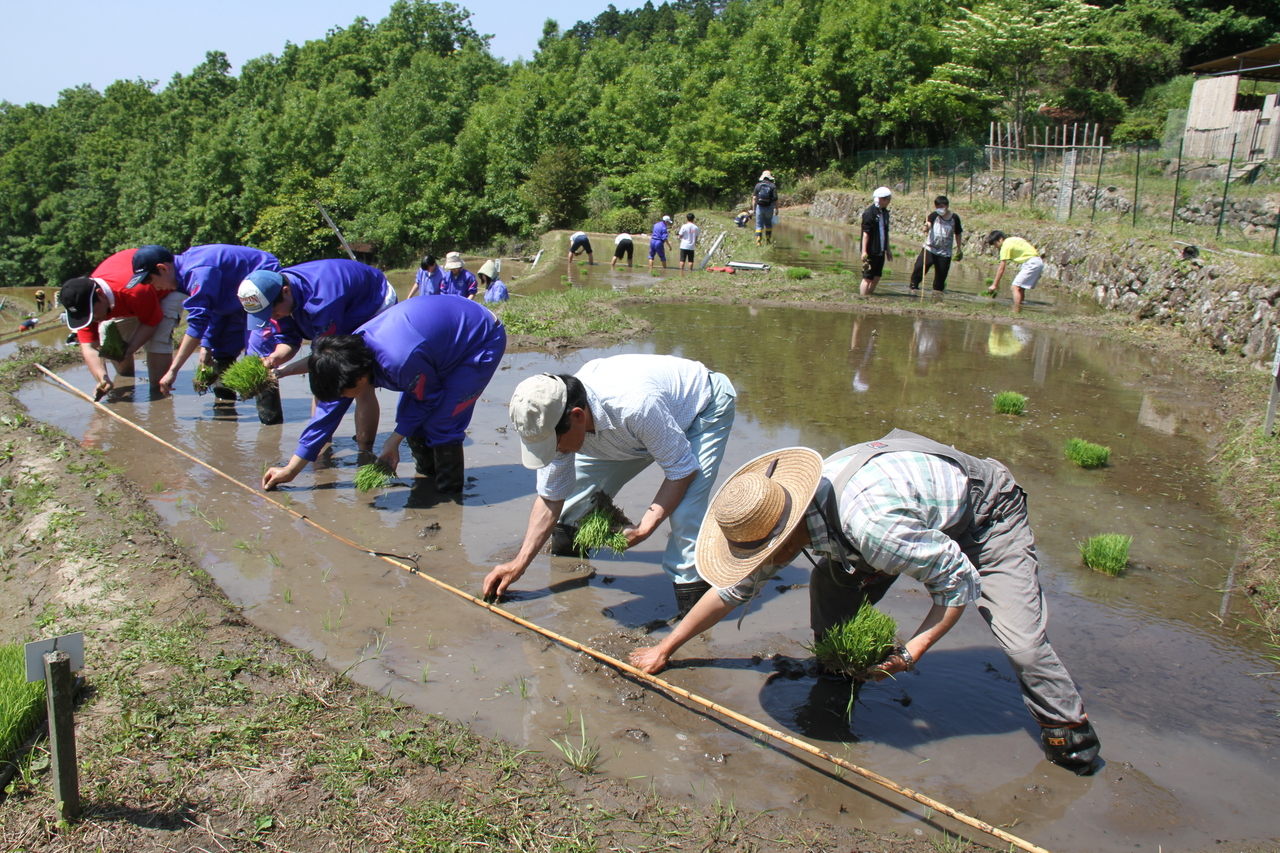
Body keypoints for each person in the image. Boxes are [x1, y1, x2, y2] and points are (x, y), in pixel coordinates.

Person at [629, 430, 1102, 776]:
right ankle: (839, 668)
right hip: (908, 516)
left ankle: (1071, 732)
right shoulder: (795, 509)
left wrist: (911, 651)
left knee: (1021, 642)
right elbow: (733, 590)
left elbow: (957, 585)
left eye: (767, 554)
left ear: (787, 529)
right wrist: (666, 648)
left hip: (986, 515)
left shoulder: (873, 529)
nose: (765, 564)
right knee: (829, 582)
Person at [484, 355, 737, 617]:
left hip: (701, 408)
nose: (555, 452)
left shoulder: (634, 406)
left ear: (578, 416)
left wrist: (644, 529)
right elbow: (551, 498)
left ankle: (695, 616)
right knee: (573, 507)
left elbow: (681, 470)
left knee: (685, 515)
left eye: (554, 444)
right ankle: (573, 596)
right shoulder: (555, 418)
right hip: (635, 431)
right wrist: (519, 563)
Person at [261, 295, 506, 493]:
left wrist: (393, 441)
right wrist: (291, 470)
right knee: (410, 417)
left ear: (360, 378)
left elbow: (429, 397)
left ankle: (449, 494)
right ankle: (427, 480)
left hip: (480, 338)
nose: (345, 400)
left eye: (346, 395)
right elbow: (325, 418)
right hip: (433, 344)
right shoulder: (349, 357)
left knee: (443, 421)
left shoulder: (398, 361)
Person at [237, 258, 399, 452]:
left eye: (272, 312)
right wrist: (274, 359)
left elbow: (327, 356)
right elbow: (288, 340)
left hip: (373, 303)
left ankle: (365, 452)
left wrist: (281, 372)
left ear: (286, 292)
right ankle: (323, 447)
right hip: (340, 304)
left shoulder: (321, 302)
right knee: (319, 383)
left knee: (360, 382)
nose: (272, 317)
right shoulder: (279, 295)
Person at [149, 244, 284, 422]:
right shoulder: (184, 273)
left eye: (150, 280)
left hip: (260, 288)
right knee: (221, 349)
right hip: (233, 298)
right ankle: (225, 415)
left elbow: (198, 322)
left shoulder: (197, 271)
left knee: (257, 357)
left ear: (162, 269)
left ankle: (270, 424)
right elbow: (212, 307)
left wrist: (173, 370)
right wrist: (207, 343)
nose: (153, 287)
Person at [59, 248, 185, 398]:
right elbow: (89, 346)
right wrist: (102, 378)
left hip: (166, 288)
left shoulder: (134, 291)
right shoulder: (83, 301)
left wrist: (131, 348)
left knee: (157, 340)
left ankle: (160, 392)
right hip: (129, 301)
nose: (91, 320)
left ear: (100, 295)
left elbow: (152, 321)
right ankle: (125, 375)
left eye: (92, 314)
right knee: (110, 335)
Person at [910, 196, 964, 293]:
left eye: (942, 206)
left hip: (945, 252)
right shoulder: (934, 215)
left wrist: (959, 249)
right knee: (919, 268)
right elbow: (928, 223)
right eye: (938, 207)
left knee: (941, 278)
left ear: (947, 206)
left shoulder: (954, 218)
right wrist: (926, 227)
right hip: (930, 249)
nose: (940, 209)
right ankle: (913, 287)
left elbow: (958, 233)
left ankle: (937, 294)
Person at [987, 231, 1043, 310]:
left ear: (1000, 239)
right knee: (1020, 287)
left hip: (1031, 263)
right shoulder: (1013, 239)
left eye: (995, 244)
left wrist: (994, 285)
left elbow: (1001, 269)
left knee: (1015, 287)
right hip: (1038, 261)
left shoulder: (1005, 246)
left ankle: (1016, 309)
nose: (996, 247)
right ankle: (1020, 306)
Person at [860, 187, 893, 296]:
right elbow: (866, 233)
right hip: (871, 250)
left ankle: (869, 295)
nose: (889, 201)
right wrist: (864, 251)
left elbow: (885, 232)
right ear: (882, 199)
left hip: (881, 249)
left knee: (877, 276)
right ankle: (862, 298)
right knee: (868, 277)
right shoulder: (870, 213)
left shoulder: (885, 213)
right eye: (888, 199)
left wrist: (888, 249)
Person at [751, 171, 778, 246]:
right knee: (768, 224)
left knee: (759, 224)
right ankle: (768, 240)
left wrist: (754, 209)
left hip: (760, 207)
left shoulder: (758, 185)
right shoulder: (773, 186)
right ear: (770, 178)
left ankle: (758, 240)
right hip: (769, 207)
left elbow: (754, 198)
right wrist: (776, 209)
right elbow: (775, 199)